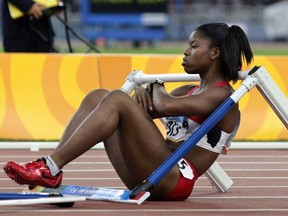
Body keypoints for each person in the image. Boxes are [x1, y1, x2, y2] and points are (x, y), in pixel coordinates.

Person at [3, 23, 253, 201]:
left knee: (116, 99)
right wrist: (144, 93)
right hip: (152, 169)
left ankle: (48, 168)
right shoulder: (189, 90)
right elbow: (145, 110)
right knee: (98, 97)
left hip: (173, 180)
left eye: (194, 45)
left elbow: (163, 105)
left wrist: (153, 86)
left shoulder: (223, 96)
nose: (185, 51)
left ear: (215, 53)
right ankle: (51, 170)